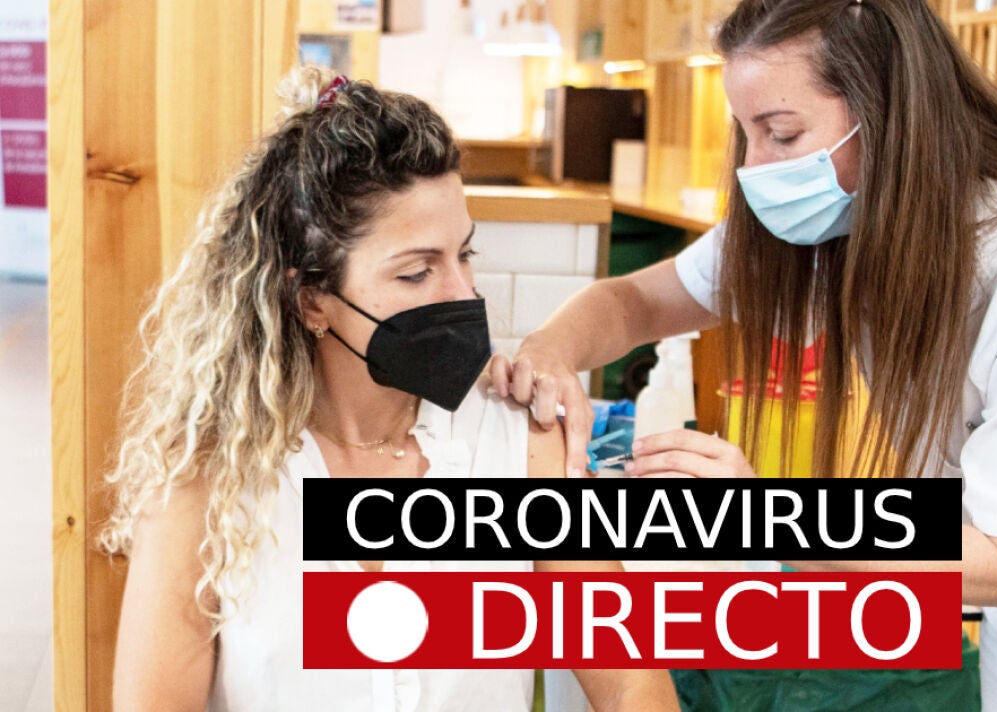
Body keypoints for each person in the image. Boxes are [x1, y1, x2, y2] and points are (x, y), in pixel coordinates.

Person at [491, 0, 997, 708]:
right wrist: (552, 351)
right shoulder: (843, 207)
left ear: (887, 112)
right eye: (747, 133)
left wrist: (765, 518)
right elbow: (638, 300)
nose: (756, 169)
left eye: (782, 133)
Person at [100, 67, 679, 712]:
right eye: (415, 273)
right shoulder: (208, 484)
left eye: (464, 255)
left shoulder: (519, 443)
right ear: (311, 300)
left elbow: (630, 679)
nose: (463, 294)